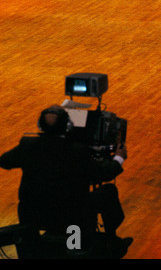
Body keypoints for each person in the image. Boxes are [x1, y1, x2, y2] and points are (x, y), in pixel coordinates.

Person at [0, 105, 131, 258]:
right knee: (108, 191)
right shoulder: (77, 151)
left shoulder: (27, 145)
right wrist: (119, 157)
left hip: (34, 214)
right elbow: (106, 172)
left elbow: (4, 161)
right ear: (68, 126)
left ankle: (40, 246)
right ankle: (109, 242)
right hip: (71, 217)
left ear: (40, 125)